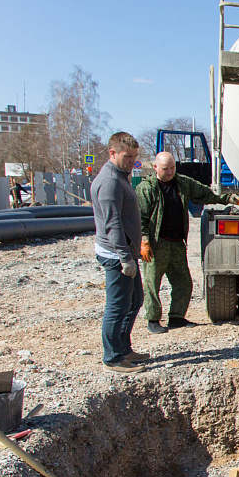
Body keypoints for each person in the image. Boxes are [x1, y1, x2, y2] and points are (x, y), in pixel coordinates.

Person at [137, 151, 239, 333]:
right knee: (152, 282)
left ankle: (176, 317)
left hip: (176, 243)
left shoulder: (182, 183)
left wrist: (234, 199)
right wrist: (144, 241)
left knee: (183, 282)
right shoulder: (147, 188)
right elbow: (140, 218)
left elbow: (207, 194)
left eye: (172, 168)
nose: (169, 172)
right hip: (156, 244)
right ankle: (153, 319)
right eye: (165, 169)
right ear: (155, 168)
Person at [91, 132, 146, 373]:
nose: (131, 161)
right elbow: (112, 224)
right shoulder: (110, 182)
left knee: (134, 300)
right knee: (117, 306)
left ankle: (123, 349)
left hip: (125, 253)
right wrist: (125, 258)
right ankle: (112, 358)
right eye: (127, 156)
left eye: (134, 157)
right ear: (112, 153)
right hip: (117, 256)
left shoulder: (120, 177)